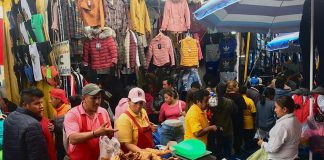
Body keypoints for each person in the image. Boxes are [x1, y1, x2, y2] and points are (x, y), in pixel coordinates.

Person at [64, 83, 118, 160]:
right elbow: (73, 139)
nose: (97, 102)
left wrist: (110, 134)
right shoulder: (73, 114)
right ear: (83, 98)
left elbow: (108, 137)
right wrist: (95, 133)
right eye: (93, 98)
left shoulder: (103, 112)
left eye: (99, 98)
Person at [3, 88, 49, 160]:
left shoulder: (10, 117)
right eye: (37, 103)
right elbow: (38, 155)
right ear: (25, 105)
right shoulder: (33, 125)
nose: (41, 106)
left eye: (41, 103)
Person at [116, 87, 157, 152]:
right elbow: (127, 144)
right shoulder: (124, 119)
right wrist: (143, 153)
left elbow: (145, 127)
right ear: (129, 101)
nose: (138, 106)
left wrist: (151, 127)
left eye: (141, 103)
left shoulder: (143, 111)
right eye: (135, 103)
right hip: (135, 155)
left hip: (149, 151)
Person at [208, 85, 236, 159]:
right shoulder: (229, 102)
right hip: (228, 128)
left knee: (217, 149)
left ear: (216, 91)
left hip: (216, 128)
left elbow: (209, 111)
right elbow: (234, 111)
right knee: (227, 149)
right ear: (225, 91)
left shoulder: (212, 100)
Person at [225, 80, 247, 155]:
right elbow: (244, 106)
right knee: (237, 136)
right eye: (237, 86)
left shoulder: (225, 95)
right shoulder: (239, 96)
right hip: (238, 120)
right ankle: (237, 151)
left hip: (228, 120)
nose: (238, 87)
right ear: (234, 88)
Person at [49, 88, 71, 160]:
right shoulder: (56, 110)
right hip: (59, 146)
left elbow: (69, 130)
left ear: (58, 99)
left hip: (66, 148)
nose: (49, 101)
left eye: (51, 99)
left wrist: (55, 128)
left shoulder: (69, 110)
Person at [239, 86, 256, 151]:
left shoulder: (238, 99)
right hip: (249, 122)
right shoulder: (249, 100)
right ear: (246, 91)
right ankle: (248, 150)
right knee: (249, 138)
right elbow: (254, 112)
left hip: (240, 121)